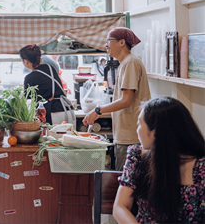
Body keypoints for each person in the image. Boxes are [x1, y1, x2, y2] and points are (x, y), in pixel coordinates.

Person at [113, 97, 205, 223]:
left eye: (140, 124)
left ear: (155, 133)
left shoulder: (201, 168)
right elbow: (120, 207)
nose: (137, 129)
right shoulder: (137, 156)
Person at [83, 27, 150, 171]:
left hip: (131, 137)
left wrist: (98, 109)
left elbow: (125, 101)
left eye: (109, 41)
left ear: (121, 43)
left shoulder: (130, 63)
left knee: (128, 185)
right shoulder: (125, 64)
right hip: (127, 135)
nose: (106, 45)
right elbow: (125, 104)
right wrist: (96, 114)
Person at [20, 45, 74, 125]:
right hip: (66, 110)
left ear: (25, 61)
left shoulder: (29, 78)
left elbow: (30, 102)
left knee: (52, 137)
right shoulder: (49, 68)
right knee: (67, 137)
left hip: (52, 114)